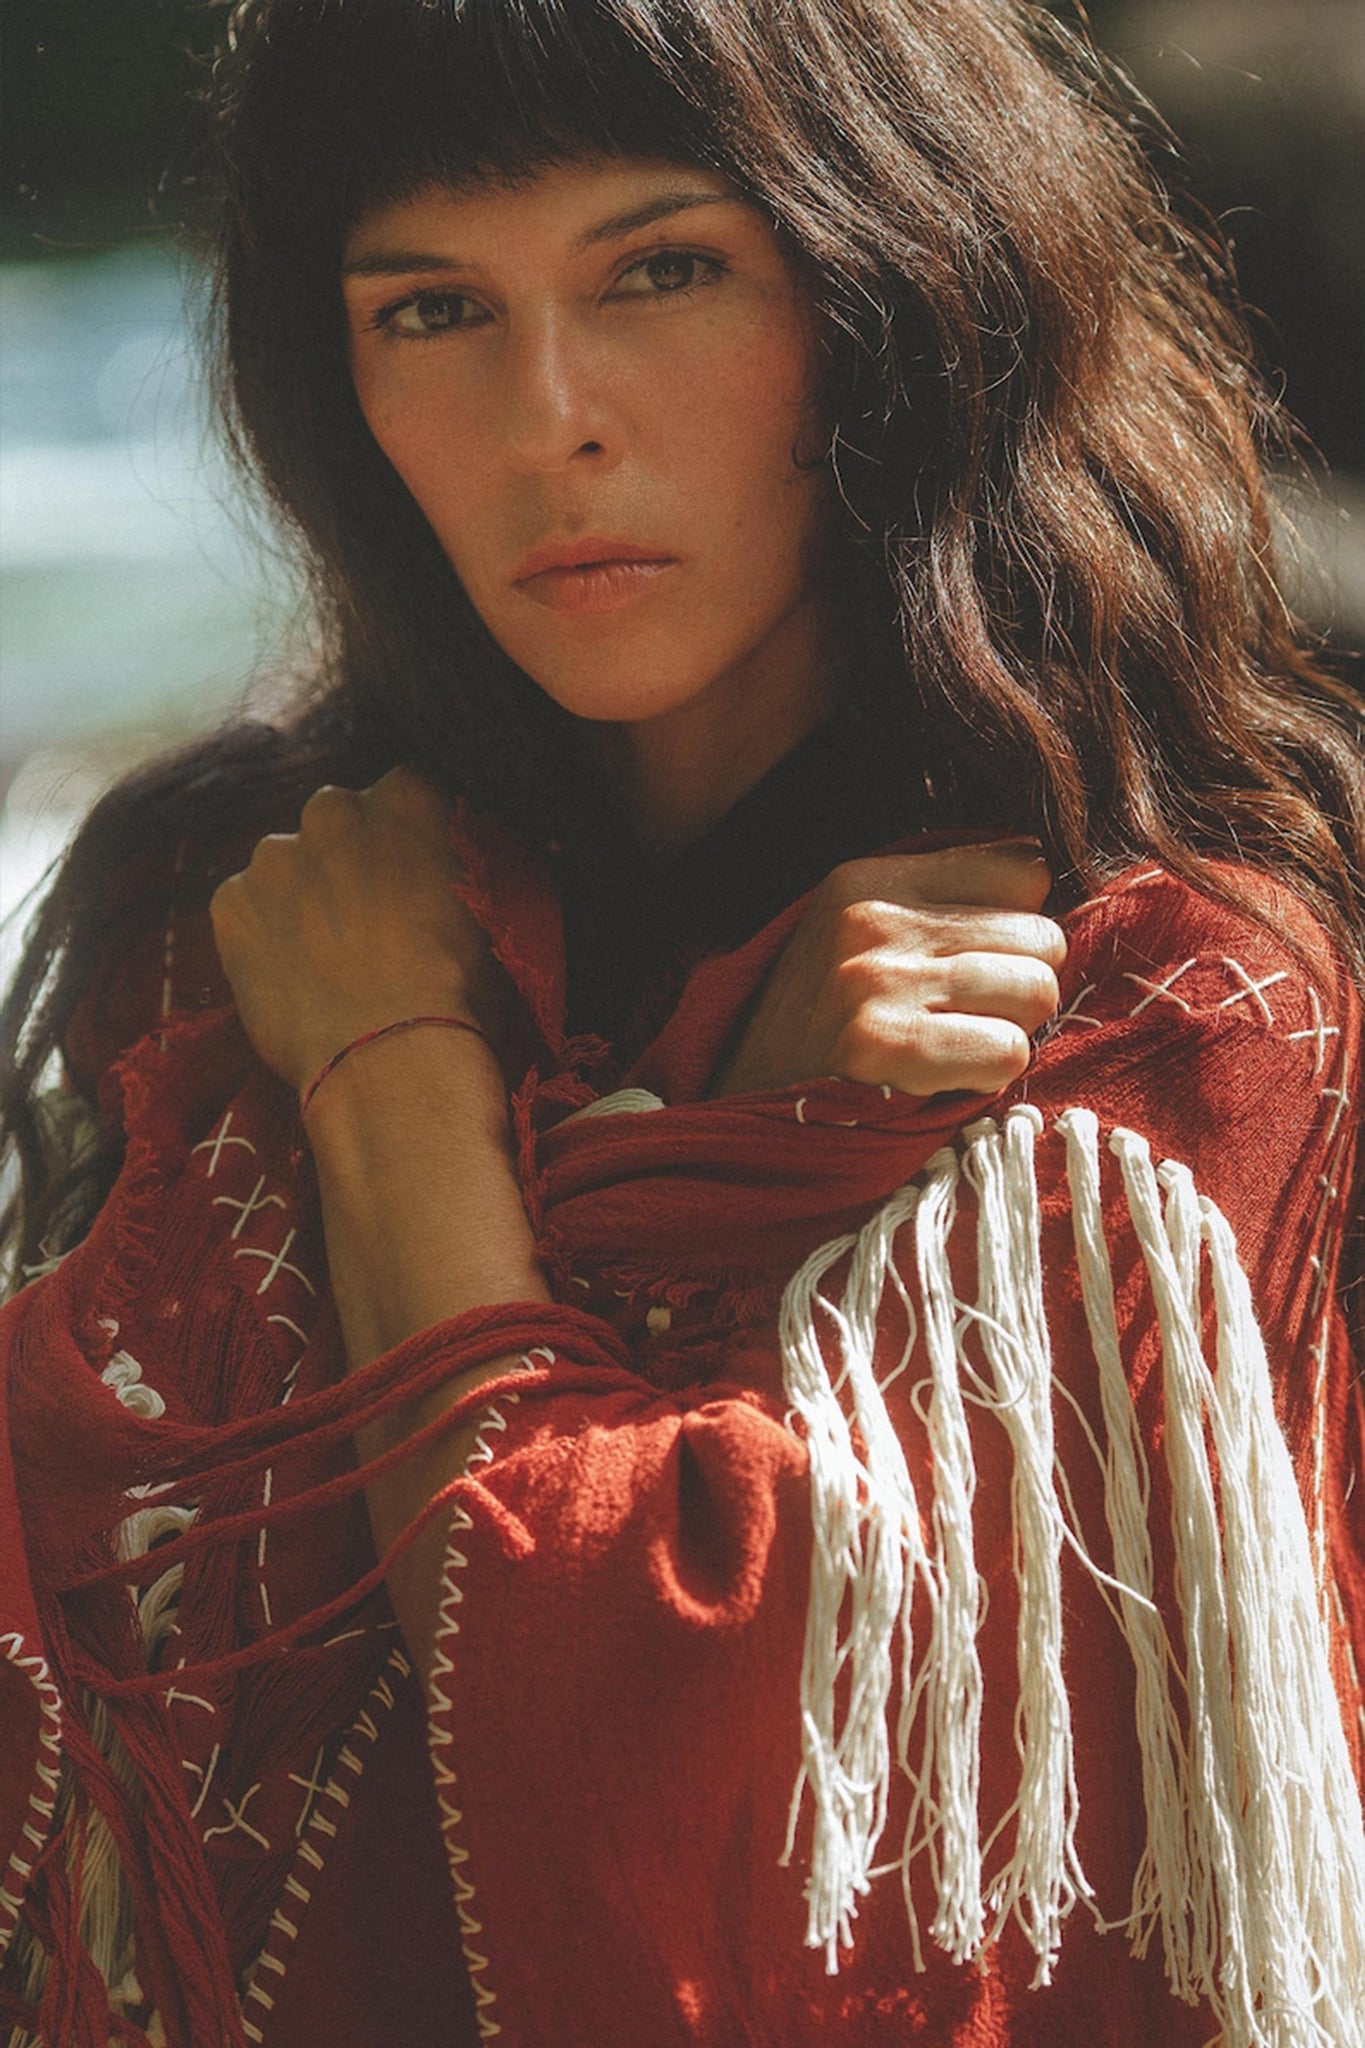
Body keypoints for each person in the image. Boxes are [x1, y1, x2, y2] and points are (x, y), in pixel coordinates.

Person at [1, 0, 1363, 2042]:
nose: (547, 419)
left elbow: (657, 1851)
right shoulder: (238, 909)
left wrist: (395, 1084)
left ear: (891, 295)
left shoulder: (1158, 1001)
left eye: (660, 272)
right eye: (431, 311)